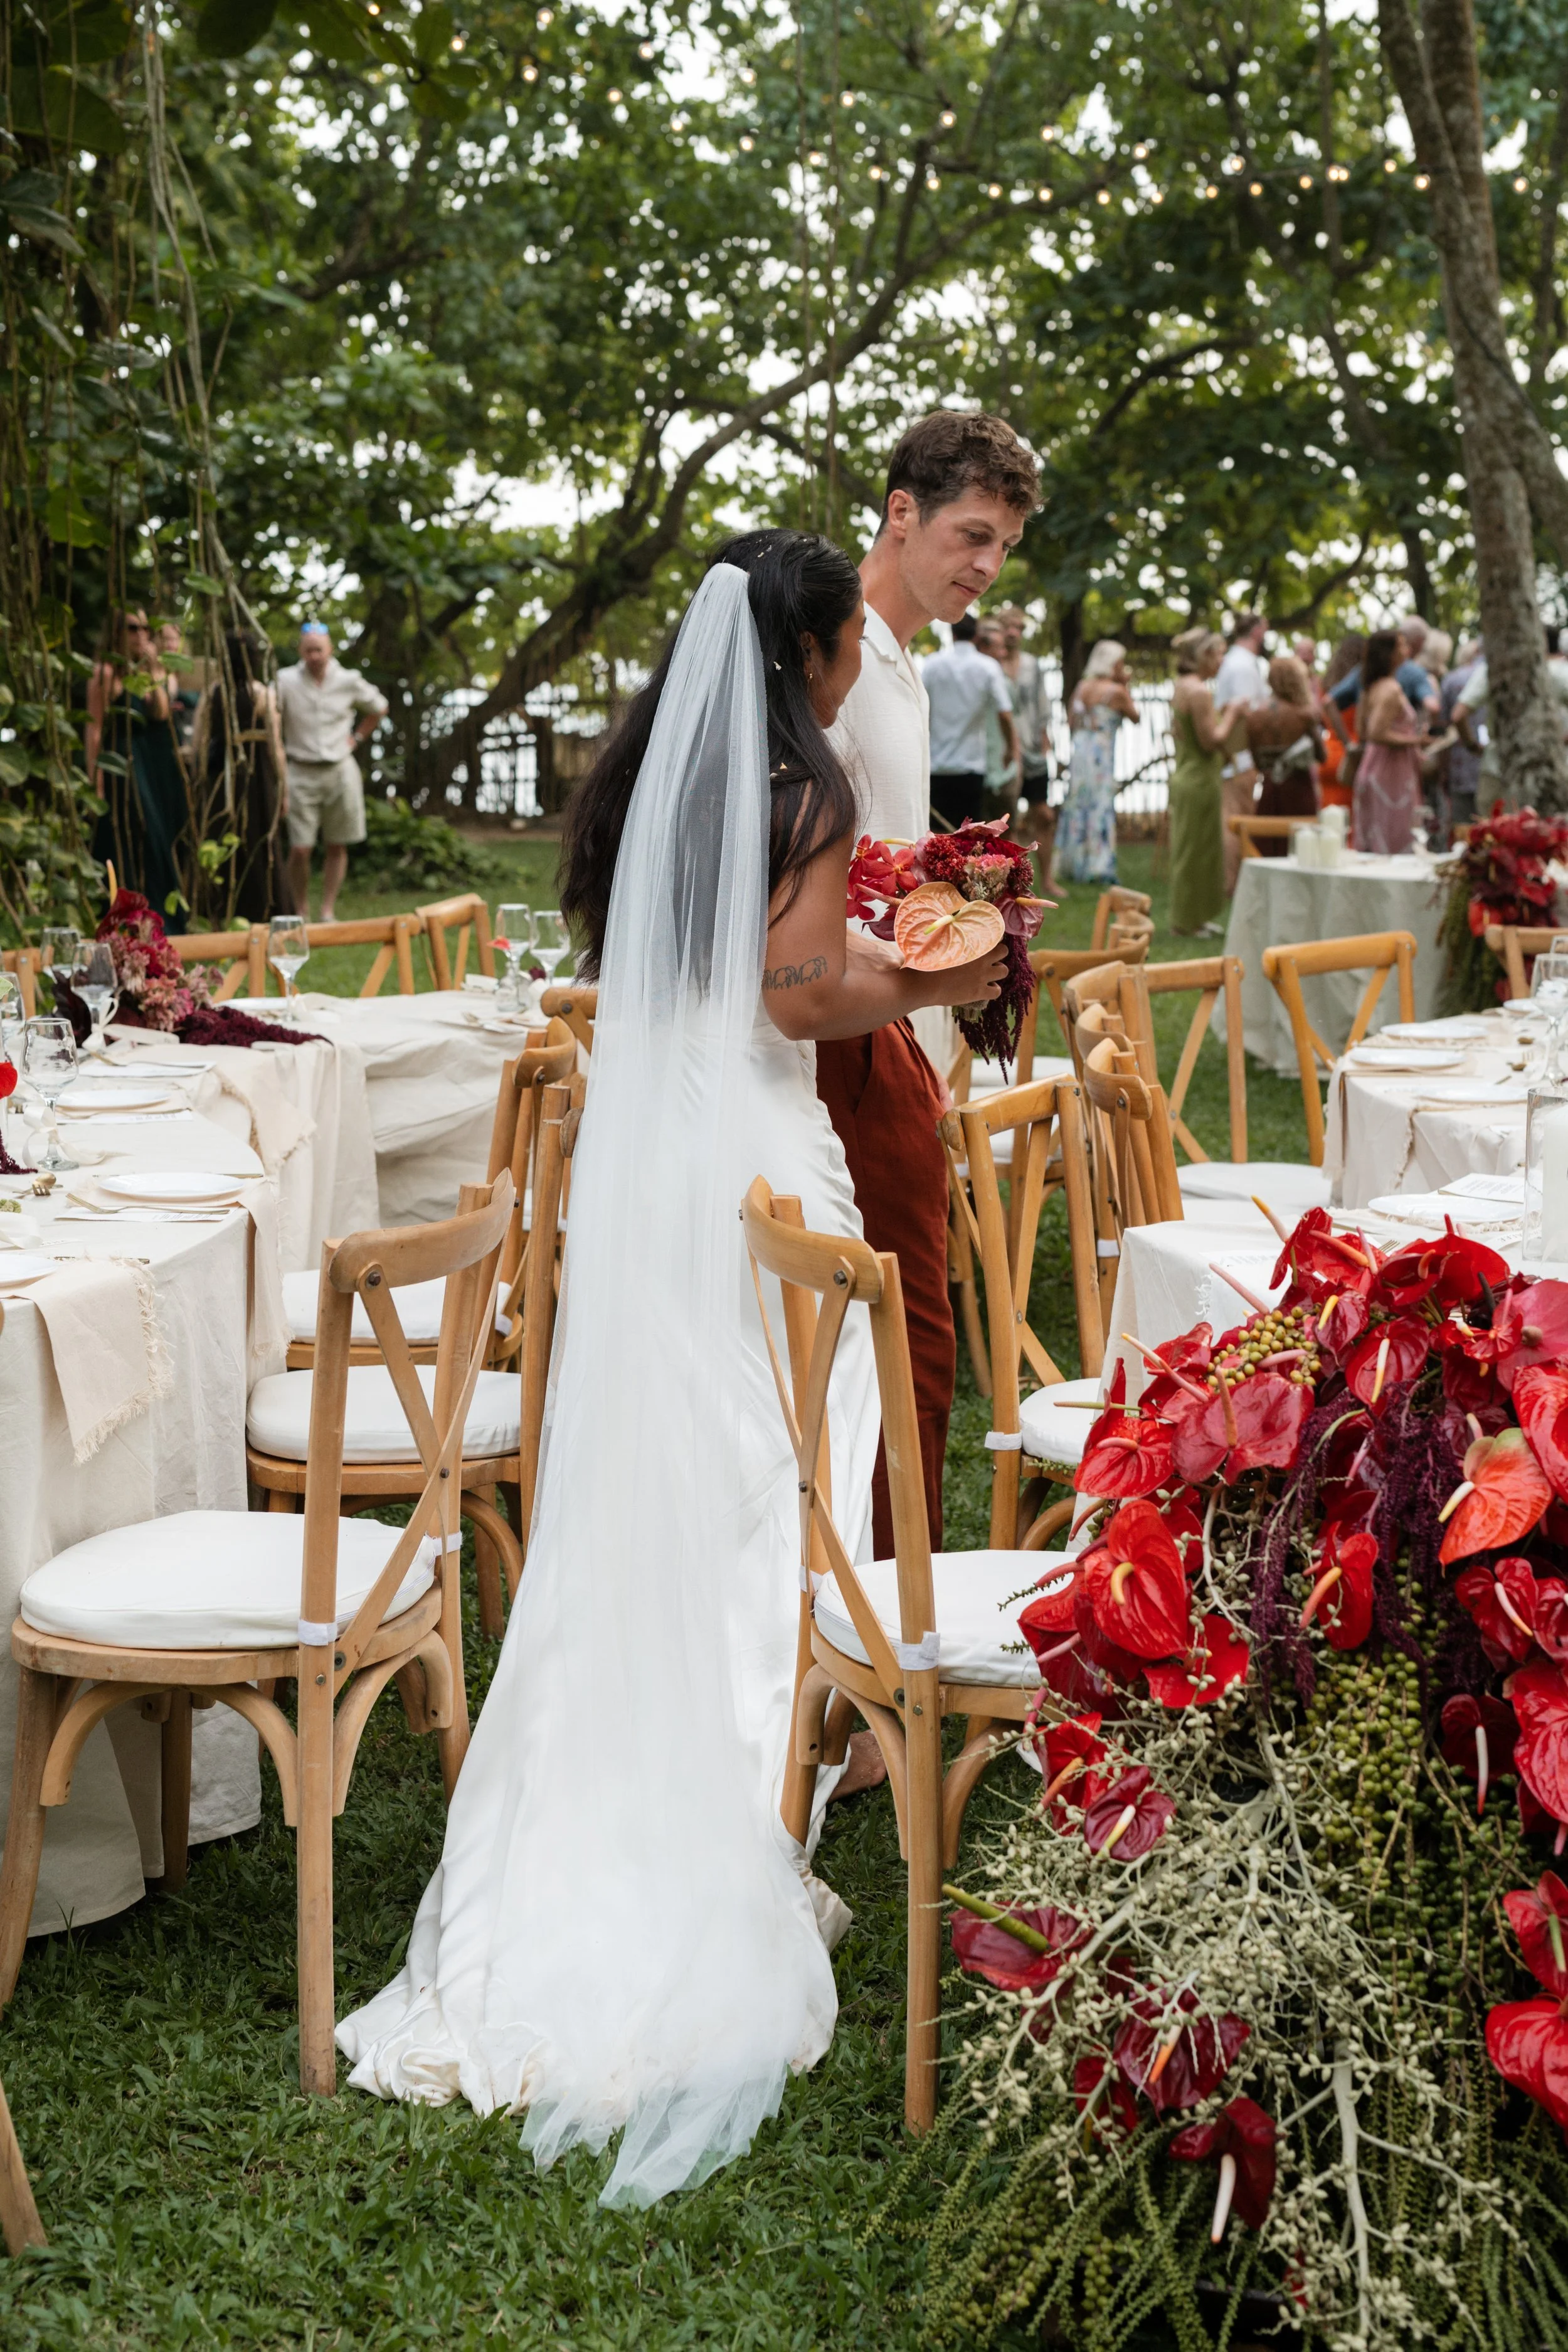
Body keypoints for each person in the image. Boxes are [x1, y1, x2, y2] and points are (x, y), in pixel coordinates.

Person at [336, 532, 1008, 2206]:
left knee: (660, 1473)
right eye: (850, 636)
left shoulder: (655, 771)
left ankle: (629, 1791)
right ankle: (718, 1826)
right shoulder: (804, 786)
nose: (859, 663)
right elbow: (789, 994)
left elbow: (697, 969)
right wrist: (942, 966)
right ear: (816, 641)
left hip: (664, 1156)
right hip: (755, 1149)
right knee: (761, 1479)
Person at [820, 408, 1038, 1566]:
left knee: (897, 1338)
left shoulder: (911, 662)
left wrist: (961, 893)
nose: (986, 565)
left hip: (900, 1027)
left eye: (1002, 544)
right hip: (841, 1033)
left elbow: (885, 854)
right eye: (969, 534)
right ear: (898, 513)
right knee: (911, 1339)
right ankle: (880, 1634)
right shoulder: (837, 653)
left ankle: (865, 1606)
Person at [85, 610, 191, 928]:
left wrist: (154, 668)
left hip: (154, 767)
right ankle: (124, 918)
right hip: (122, 766)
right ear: (117, 632)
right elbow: (94, 730)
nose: (141, 634)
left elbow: (161, 713)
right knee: (129, 837)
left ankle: (159, 919)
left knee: (157, 837)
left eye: (146, 628)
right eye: (133, 628)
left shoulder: (147, 673)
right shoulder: (105, 674)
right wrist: (95, 778)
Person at [274, 622, 388, 920]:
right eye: (308, 650)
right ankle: (301, 908)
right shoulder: (284, 680)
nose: (314, 656)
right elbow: (272, 716)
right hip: (300, 770)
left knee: (337, 844)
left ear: (330, 650)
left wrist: (358, 738)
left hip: (340, 770)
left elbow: (380, 707)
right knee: (300, 848)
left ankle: (327, 910)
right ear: (301, 650)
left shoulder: (348, 680)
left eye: (319, 650)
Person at [200, 631, 289, 921]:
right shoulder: (262, 693)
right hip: (256, 778)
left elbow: (200, 742)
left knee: (224, 838)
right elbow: (276, 748)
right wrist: (284, 788)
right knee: (259, 839)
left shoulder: (213, 694)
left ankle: (221, 910)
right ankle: (264, 909)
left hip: (222, 780)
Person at [1451, 625, 1568, 809]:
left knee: (1494, 832)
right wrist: (1560, 741)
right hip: (1552, 770)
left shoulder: (1492, 669)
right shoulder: (1559, 671)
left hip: (1498, 768)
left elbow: (1458, 715)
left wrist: (1472, 746)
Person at [921, 612, 1018, 827]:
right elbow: (1005, 712)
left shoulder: (931, 665)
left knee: (937, 836)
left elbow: (919, 707)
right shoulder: (987, 667)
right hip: (971, 765)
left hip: (936, 764)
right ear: (976, 636)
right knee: (970, 837)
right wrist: (1011, 749)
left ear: (952, 634)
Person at [1167, 628, 1235, 935]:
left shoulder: (1182, 686)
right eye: (1219, 653)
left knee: (1196, 850)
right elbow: (1211, 740)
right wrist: (1233, 714)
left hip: (1187, 775)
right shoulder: (1200, 692)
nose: (1222, 660)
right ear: (1204, 655)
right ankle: (1186, 921)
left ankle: (1195, 917)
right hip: (1200, 779)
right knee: (1195, 853)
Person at [1055, 640, 1135, 885]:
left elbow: (1070, 721)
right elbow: (1136, 716)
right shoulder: (1117, 691)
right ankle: (1097, 866)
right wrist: (1126, 685)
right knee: (1100, 804)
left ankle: (1073, 862)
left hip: (1081, 750)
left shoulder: (1082, 687)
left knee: (1078, 803)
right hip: (1101, 752)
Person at [1353, 628, 1424, 852]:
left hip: (1372, 766)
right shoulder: (1391, 690)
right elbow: (1376, 733)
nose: (1407, 650)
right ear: (1390, 654)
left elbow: (1361, 731)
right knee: (1394, 837)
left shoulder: (1370, 688)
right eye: (1402, 646)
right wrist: (1415, 740)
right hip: (1390, 775)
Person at [1248, 655, 1323, 851]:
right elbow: (1322, 755)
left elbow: (1257, 762)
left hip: (1269, 788)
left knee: (1269, 847)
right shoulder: (1304, 715)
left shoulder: (1255, 717)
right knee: (1302, 847)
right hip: (1299, 789)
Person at [995, 602, 1051, 815]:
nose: (1012, 632)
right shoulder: (991, 666)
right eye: (1007, 626)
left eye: (1018, 627)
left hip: (1031, 745)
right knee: (1006, 816)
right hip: (1002, 750)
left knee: (1043, 812)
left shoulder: (1032, 665)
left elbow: (1042, 703)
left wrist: (1044, 738)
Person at [1316, 632, 1365, 817]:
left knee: (1331, 820)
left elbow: (1322, 719)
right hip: (1354, 756)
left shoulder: (1326, 683)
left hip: (1328, 756)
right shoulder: (1362, 684)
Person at [975, 616, 1017, 812]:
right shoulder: (975, 677)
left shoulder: (1005, 681)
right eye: (998, 647)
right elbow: (1006, 716)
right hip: (976, 769)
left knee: (1007, 832)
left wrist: (1013, 753)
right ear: (982, 646)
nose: (1004, 653)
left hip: (1002, 769)